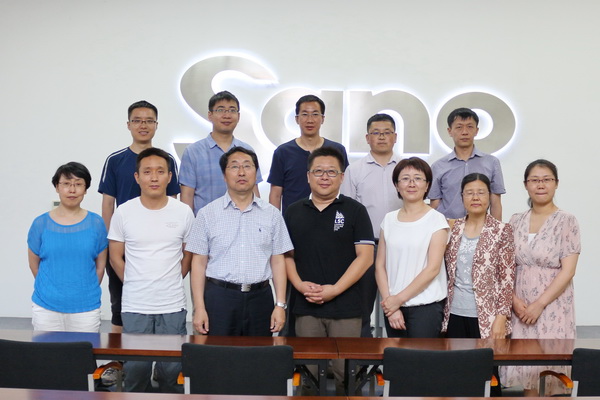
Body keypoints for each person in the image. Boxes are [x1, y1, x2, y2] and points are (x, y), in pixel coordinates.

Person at [284, 146, 374, 395]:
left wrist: (334, 290)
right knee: (309, 377)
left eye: (331, 172)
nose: (325, 177)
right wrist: (299, 285)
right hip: (306, 307)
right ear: (308, 176)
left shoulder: (355, 210)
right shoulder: (292, 211)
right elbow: (286, 257)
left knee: (348, 376)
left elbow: (365, 257)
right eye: (318, 171)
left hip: (346, 309)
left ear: (342, 177)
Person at [108, 148, 194, 393]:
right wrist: (133, 282)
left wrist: (173, 278)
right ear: (137, 177)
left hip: (172, 305)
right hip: (135, 305)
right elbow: (115, 257)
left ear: (169, 177)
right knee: (136, 374)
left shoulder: (183, 212)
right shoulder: (124, 212)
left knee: (171, 374)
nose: (154, 177)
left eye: (160, 171)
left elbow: (189, 254)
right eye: (147, 172)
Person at [187, 147, 293, 336]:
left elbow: (278, 261)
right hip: (219, 298)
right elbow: (198, 263)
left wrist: (280, 305)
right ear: (224, 175)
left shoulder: (272, 215)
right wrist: (199, 308)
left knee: (259, 353)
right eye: (234, 167)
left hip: (260, 299)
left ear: (256, 173)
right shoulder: (207, 214)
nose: (241, 172)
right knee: (218, 353)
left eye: (247, 166)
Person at [99, 100, 180, 334]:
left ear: (156, 125)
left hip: (159, 247)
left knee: (163, 307)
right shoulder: (115, 160)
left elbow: (173, 202)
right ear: (128, 125)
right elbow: (108, 204)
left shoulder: (166, 160)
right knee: (120, 307)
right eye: (137, 121)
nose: (143, 125)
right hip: (124, 245)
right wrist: (112, 243)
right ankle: (120, 356)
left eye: (148, 121)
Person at [501, 159, 580, 396]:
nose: (541, 185)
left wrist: (539, 304)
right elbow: (505, 267)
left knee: (553, 373)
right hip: (521, 307)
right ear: (526, 185)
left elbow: (568, 270)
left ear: (556, 183)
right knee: (529, 376)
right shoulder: (515, 220)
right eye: (534, 180)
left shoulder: (567, 220)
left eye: (547, 180)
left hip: (553, 305)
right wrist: (514, 301)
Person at [340, 113, 403, 337]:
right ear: (367, 138)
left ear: (395, 137)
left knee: (397, 305)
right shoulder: (354, 170)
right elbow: (347, 211)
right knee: (362, 307)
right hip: (366, 247)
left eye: (387, 133)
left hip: (399, 247)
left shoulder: (406, 169)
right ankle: (361, 356)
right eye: (376, 133)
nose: (382, 137)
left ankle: (397, 355)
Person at [27, 162, 107, 332]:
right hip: (46, 307)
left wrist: (85, 290)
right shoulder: (40, 224)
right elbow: (34, 264)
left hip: (86, 308)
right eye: (66, 184)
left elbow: (100, 266)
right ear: (57, 187)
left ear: (85, 189)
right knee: (46, 349)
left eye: (78, 184)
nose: (72, 190)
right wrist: (50, 289)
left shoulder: (97, 223)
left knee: (83, 349)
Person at [375, 157, 449, 338]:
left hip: (425, 308)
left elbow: (432, 269)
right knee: (395, 356)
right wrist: (391, 306)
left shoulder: (436, 219)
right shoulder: (389, 219)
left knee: (422, 356)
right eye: (405, 179)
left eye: (418, 178)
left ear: (427, 185)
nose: (411, 184)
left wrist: (398, 300)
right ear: (397, 185)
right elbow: (380, 266)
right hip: (392, 308)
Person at [442, 173, 515, 339]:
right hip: (454, 312)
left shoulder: (502, 230)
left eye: (481, 192)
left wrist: (501, 317)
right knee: (455, 356)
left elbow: (507, 279)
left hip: (488, 316)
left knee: (485, 357)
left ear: (489, 196)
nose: (475, 197)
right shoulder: (453, 228)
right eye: (469, 193)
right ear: (462, 197)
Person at [179, 91, 261, 215]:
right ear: (210, 115)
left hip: (243, 222)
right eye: (220, 110)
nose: (227, 115)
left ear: (238, 116)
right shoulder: (193, 152)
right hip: (206, 223)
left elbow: (254, 191)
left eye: (232, 110)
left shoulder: (247, 151)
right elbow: (187, 196)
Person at [268, 94, 348, 213]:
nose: (310, 120)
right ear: (297, 119)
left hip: (331, 217)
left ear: (323, 119)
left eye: (315, 114)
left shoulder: (337, 150)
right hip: (293, 219)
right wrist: (274, 222)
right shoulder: (283, 152)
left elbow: (345, 188)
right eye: (305, 114)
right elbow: (275, 194)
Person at [429, 107, 505, 220]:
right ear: (449, 131)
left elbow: (495, 203)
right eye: (459, 127)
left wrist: (497, 229)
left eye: (470, 127)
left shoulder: (492, 162)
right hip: (448, 226)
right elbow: (435, 205)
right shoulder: (438, 166)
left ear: (476, 130)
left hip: (481, 226)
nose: (464, 132)